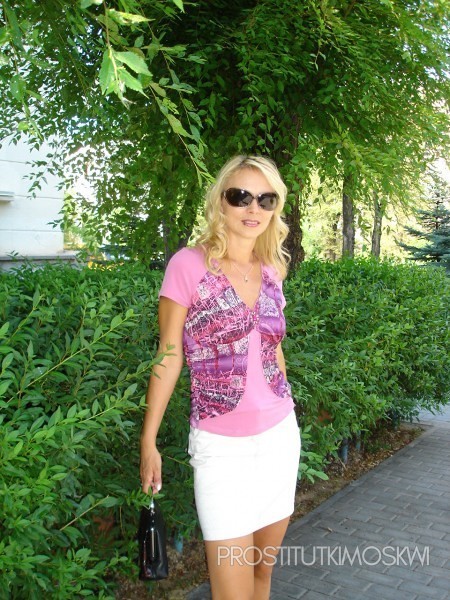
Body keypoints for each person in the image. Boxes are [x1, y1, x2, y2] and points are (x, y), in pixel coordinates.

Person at [140, 155, 301, 600]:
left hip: (279, 439)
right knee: (231, 591)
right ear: (220, 201)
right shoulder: (188, 265)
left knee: (262, 577)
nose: (253, 208)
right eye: (241, 196)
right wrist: (148, 440)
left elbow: (274, 350)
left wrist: (288, 407)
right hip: (221, 449)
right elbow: (169, 355)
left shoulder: (271, 270)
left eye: (266, 199)